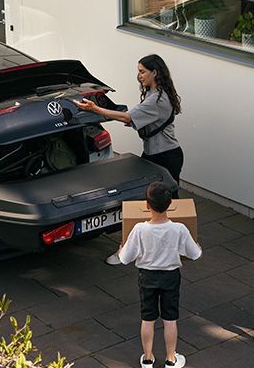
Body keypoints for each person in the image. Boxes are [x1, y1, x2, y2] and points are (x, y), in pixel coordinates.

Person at [75, 54, 184, 265]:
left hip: (164, 157)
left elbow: (128, 117)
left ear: (155, 72)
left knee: (151, 203)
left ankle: (128, 250)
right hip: (161, 155)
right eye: (139, 70)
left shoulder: (157, 99)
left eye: (143, 71)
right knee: (166, 204)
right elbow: (136, 118)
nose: (139, 75)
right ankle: (177, 245)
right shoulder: (157, 93)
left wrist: (95, 109)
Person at [113, 181, 202, 368]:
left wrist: (121, 249)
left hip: (146, 277)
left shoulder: (139, 229)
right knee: (170, 320)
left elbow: (125, 258)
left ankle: (147, 359)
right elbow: (195, 254)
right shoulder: (179, 229)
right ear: (170, 204)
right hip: (171, 277)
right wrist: (197, 245)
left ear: (146, 205)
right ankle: (171, 361)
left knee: (147, 318)